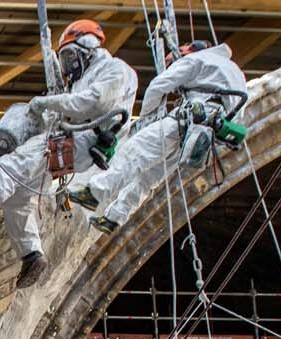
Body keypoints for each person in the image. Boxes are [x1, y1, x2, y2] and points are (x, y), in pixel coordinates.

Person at [0, 19, 137, 288]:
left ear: (88, 44)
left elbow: (92, 102)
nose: (69, 64)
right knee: (20, 196)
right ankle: (31, 254)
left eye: (69, 55)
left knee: (9, 167)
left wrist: (45, 102)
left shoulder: (115, 70)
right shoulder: (86, 76)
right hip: (75, 145)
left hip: (80, 141)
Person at [68, 40, 248, 233]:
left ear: (188, 49)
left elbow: (158, 86)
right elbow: (237, 116)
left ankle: (94, 193)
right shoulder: (236, 73)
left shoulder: (196, 59)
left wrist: (147, 118)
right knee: (150, 177)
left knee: (134, 152)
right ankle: (114, 218)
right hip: (203, 135)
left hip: (186, 121)